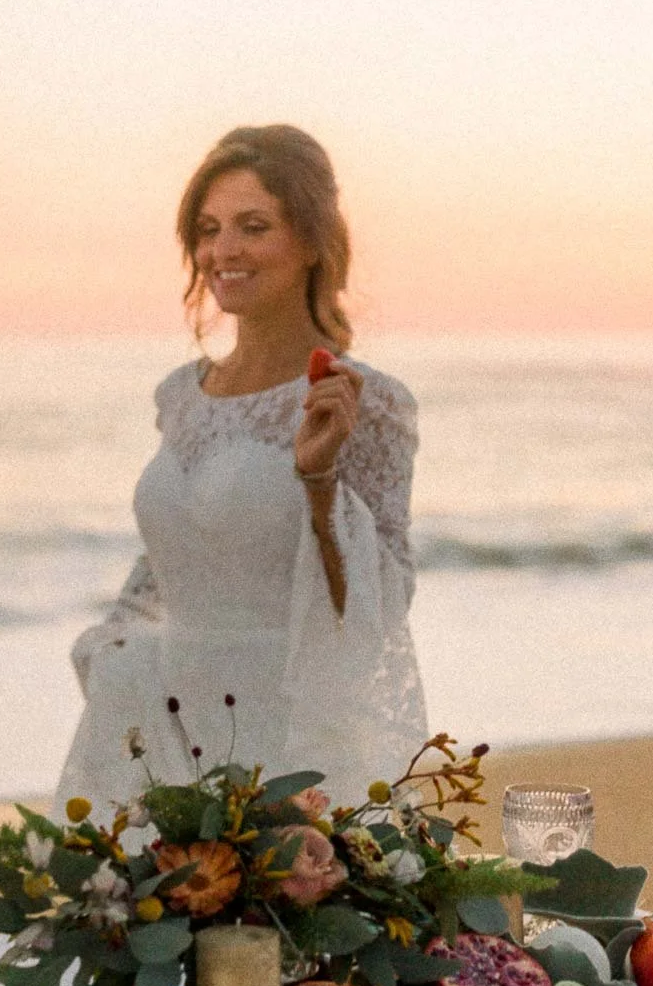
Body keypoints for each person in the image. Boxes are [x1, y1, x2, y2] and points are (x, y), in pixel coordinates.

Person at [55, 125, 427, 818]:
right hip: (163, 731)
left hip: (289, 742)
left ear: (312, 242)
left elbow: (381, 606)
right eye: (208, 229)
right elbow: (169, 561)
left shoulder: (362, 400)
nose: (223, 251)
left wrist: (318, 485)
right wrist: (111, 651)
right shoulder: (179, 395)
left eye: (253, 227)